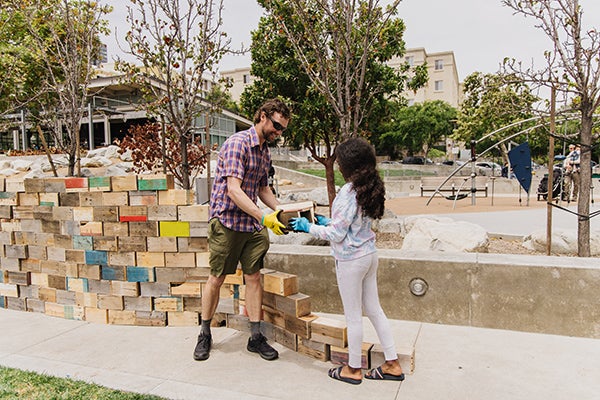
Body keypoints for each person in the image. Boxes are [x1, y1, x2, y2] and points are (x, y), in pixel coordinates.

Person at [290, 137, 404, 385]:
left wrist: (307, 226)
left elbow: (337, 235)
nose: (337, 166)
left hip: (351, 262)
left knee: (353, 317)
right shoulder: (369, 188)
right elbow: (349, 226)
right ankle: (392, 363)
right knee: (375, 310)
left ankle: (352, 369)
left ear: (350, 166)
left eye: (340, 162)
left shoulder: (347, 193)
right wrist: (326, 221)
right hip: (369, 256)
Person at [193, 98, 290, 362]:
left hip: (251, 224)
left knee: (255, 277)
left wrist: (279, 212)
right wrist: (265, 217)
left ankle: (255, 337)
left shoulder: (264, 151)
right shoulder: (238, 144)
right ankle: (204, 333)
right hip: (226, 221)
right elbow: (234, 190)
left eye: (282, 129)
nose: (278, 133)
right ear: (262, 116)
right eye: (276, 126)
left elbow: (262, 189)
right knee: (217, 278)